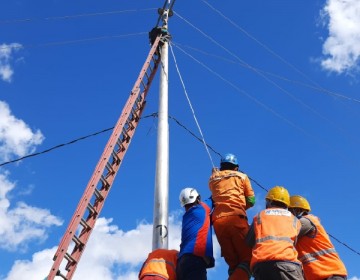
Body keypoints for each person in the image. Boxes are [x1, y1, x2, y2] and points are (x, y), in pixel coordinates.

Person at [208, 153, 255, 280]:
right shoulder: (242, 176)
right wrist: (239, 207)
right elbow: (251, 200)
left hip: (218, 222)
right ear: (236, 167)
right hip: (236, 219)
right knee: (248, 259)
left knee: (233, 263)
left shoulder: (212, 179)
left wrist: (215, 174)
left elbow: (216, 189)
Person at [246, 186, 304, 280]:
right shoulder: (295, 220)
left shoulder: (260, 216)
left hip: (262, 266)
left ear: (269, 201)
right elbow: (295, 242)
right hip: (288, 265)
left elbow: (249, 241)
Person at [289, 195, 347, 280]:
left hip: (330, 275)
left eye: (290, 211)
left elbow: (284, 233)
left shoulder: (306, 221)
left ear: (297, 210)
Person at [177, 187, 215, 280]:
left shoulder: (186, 217)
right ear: (197, 199)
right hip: (195, 260)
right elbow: (215, 196)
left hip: (181, 264)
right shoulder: (202, 208)